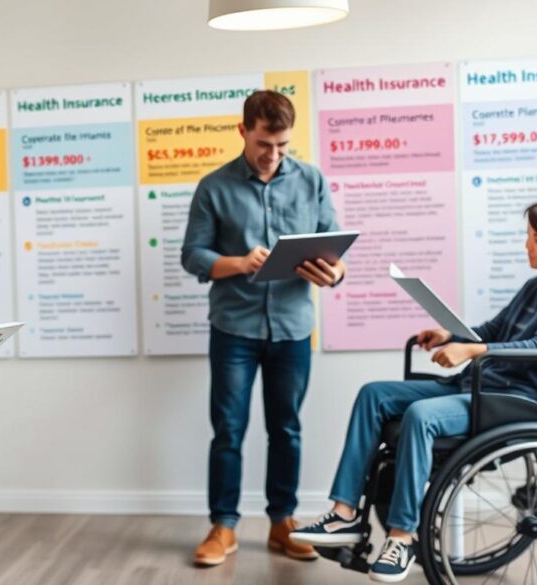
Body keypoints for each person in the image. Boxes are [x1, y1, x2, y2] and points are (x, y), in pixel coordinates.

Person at [291, 195, 537, 582]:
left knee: (420, 415)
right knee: (373, 393)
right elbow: (493, 331)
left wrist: (472, 350)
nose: (527, 245)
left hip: (516, 399)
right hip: (481, 385)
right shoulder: (535, 286)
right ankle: (344, 516)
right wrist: (449, 334)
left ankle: (402, 536)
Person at [182, 89, 346, 566]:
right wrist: (237, 262)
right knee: (228, 430)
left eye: (282, 146)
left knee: (287, 429)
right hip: (233, 328)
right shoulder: (214, 187)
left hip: (293, 328)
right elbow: (192, 255)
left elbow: (334, 252)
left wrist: (334, 273)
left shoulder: (312, 181)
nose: (273, 156)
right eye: (263, 144)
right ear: (243, 132)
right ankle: (223, 526)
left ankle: (282, 523)